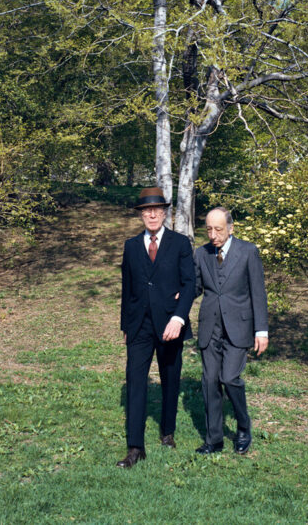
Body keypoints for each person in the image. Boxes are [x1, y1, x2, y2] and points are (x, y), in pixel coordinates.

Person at [117, 187, 195, 468]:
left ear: (164, 213)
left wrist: (179, 318)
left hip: (170, 324)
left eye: (156, 210)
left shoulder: (180, 243)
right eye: (146, 211)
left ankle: (167, 431)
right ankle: (135, 447)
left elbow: (190, 284)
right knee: (135, 381)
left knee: (170, 378)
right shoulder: (131, 246)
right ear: (141, 215)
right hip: (139, 326)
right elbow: (127, 288)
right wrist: (126, 325)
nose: (151, 215)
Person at [194, 207, 269, 455]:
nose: (213, 235)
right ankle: (214, 439)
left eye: (218, 229)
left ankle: (243, 427)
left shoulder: (248, 252)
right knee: (210, 382)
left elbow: (258, 293)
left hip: (239, 328)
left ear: (231, 228)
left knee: (229, 378)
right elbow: (194, 287)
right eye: (209, 230)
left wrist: (261, 331)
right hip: (210, 327)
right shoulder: (201, 254)